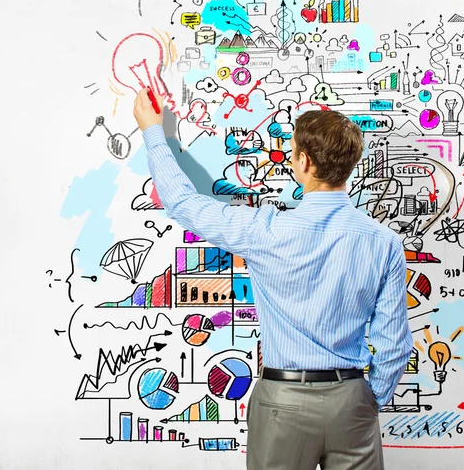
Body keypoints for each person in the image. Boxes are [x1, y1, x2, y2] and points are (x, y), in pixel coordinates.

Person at [133, 87, 413, 470]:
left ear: (304, 162)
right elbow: (394, 344)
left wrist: (152, 130)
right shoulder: (384, 243)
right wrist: (366, 401)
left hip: (282, 399)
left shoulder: (264, 229)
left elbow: (183, 203)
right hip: (352, 400)